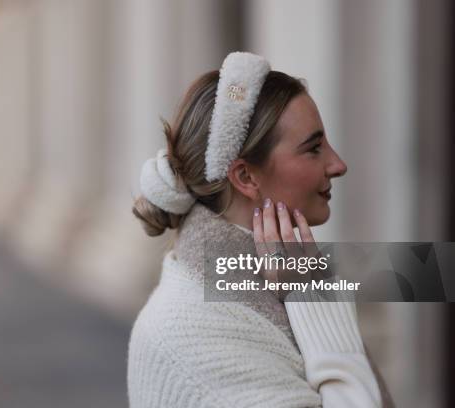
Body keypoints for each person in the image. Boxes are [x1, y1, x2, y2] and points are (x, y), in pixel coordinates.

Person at [127, 52, 393, 407]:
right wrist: (316, 302)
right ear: (245, 177)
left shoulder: (259, 286)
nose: (338, 164)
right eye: (313, 148)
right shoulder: (201, 338)